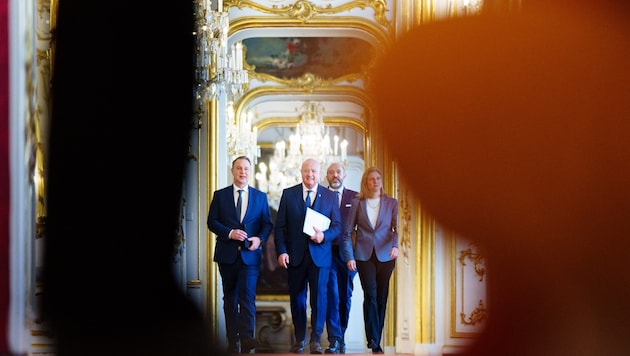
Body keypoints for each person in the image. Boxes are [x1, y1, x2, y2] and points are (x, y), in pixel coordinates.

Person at [274, 158, 342, 354]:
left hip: (320, 258)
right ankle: (299, 339)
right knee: (297, 300)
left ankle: (316, 340)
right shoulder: (289, 194)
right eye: (306, 171)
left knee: (319, 300)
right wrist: (282, 251)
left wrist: (324, 236)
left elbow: (337, 227)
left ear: (318, 173)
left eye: (313, 171)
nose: (309, 175)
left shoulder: (330, 196)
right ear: (301, 172)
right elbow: (280, 228)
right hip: (295, 257)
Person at [208, 156, 274, 354]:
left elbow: (267, 224)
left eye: (246, 168)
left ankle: (246, 338)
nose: (242, 172)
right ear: (232, 170)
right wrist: (230, 233)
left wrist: (259, 239)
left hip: (250, 256)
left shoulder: (260, 197)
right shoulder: (220, 196)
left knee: (248, 297)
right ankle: (232, 340)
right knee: (230, 298)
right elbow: (212, 222)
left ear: (250, 171)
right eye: (239, 168)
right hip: (227, 255)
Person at [342, 167, 399, 354]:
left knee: (382, 297)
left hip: (386, 255)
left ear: (381, 181)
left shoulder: (391, 203)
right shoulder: (358, 203)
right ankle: (373, 339)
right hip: (363, 255)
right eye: (371, 179)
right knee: (371, 295)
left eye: (378, 178)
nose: (375, 182)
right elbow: (347, 232)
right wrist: (350, 257)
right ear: (365, 182)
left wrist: (395, 246)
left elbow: (397, 229)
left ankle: (377, 337)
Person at [324, 162, 358, 354]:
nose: (335, 175)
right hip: (327, 253)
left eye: (338, 172)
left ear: (344, 175)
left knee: (345, 296)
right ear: (327, 176)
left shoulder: (355, 197)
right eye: (331, 172)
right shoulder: (321, 195)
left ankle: (342, 335)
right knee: (332, 295)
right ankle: (334, 340)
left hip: (349, 255)